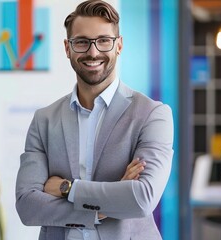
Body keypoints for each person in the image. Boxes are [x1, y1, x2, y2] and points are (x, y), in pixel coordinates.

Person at [15, 0, 174, 239]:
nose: (93, 52)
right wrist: (106, 206)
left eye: (103, 41)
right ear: (67, 48)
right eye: (81, 42)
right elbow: (27, 206)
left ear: (118, 45)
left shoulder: (152, 115)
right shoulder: (44, 119)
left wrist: (66, 188)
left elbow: (141, 199)